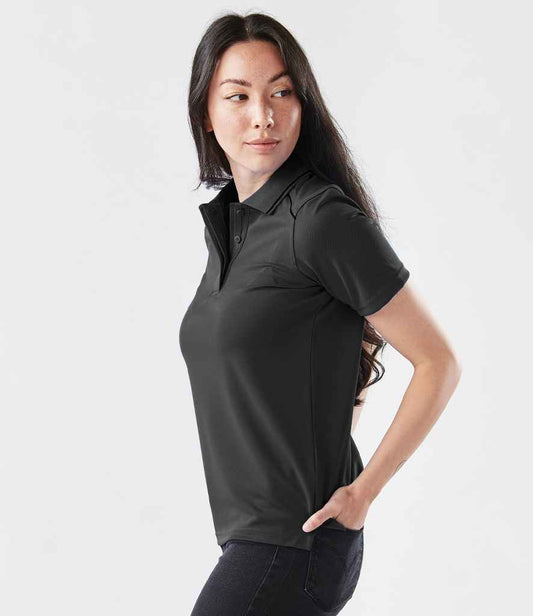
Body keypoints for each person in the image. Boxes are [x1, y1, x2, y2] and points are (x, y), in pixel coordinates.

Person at [179, 11, 462, 616]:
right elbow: (332, 343)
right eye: (239, 96)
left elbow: (438, 362)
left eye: (281, 93)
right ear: (206, 112)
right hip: (256, 538)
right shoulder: (231, 226)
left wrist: (362, 494)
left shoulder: (320, 219)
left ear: (303, 105)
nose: (264, 115)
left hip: (296, 542)